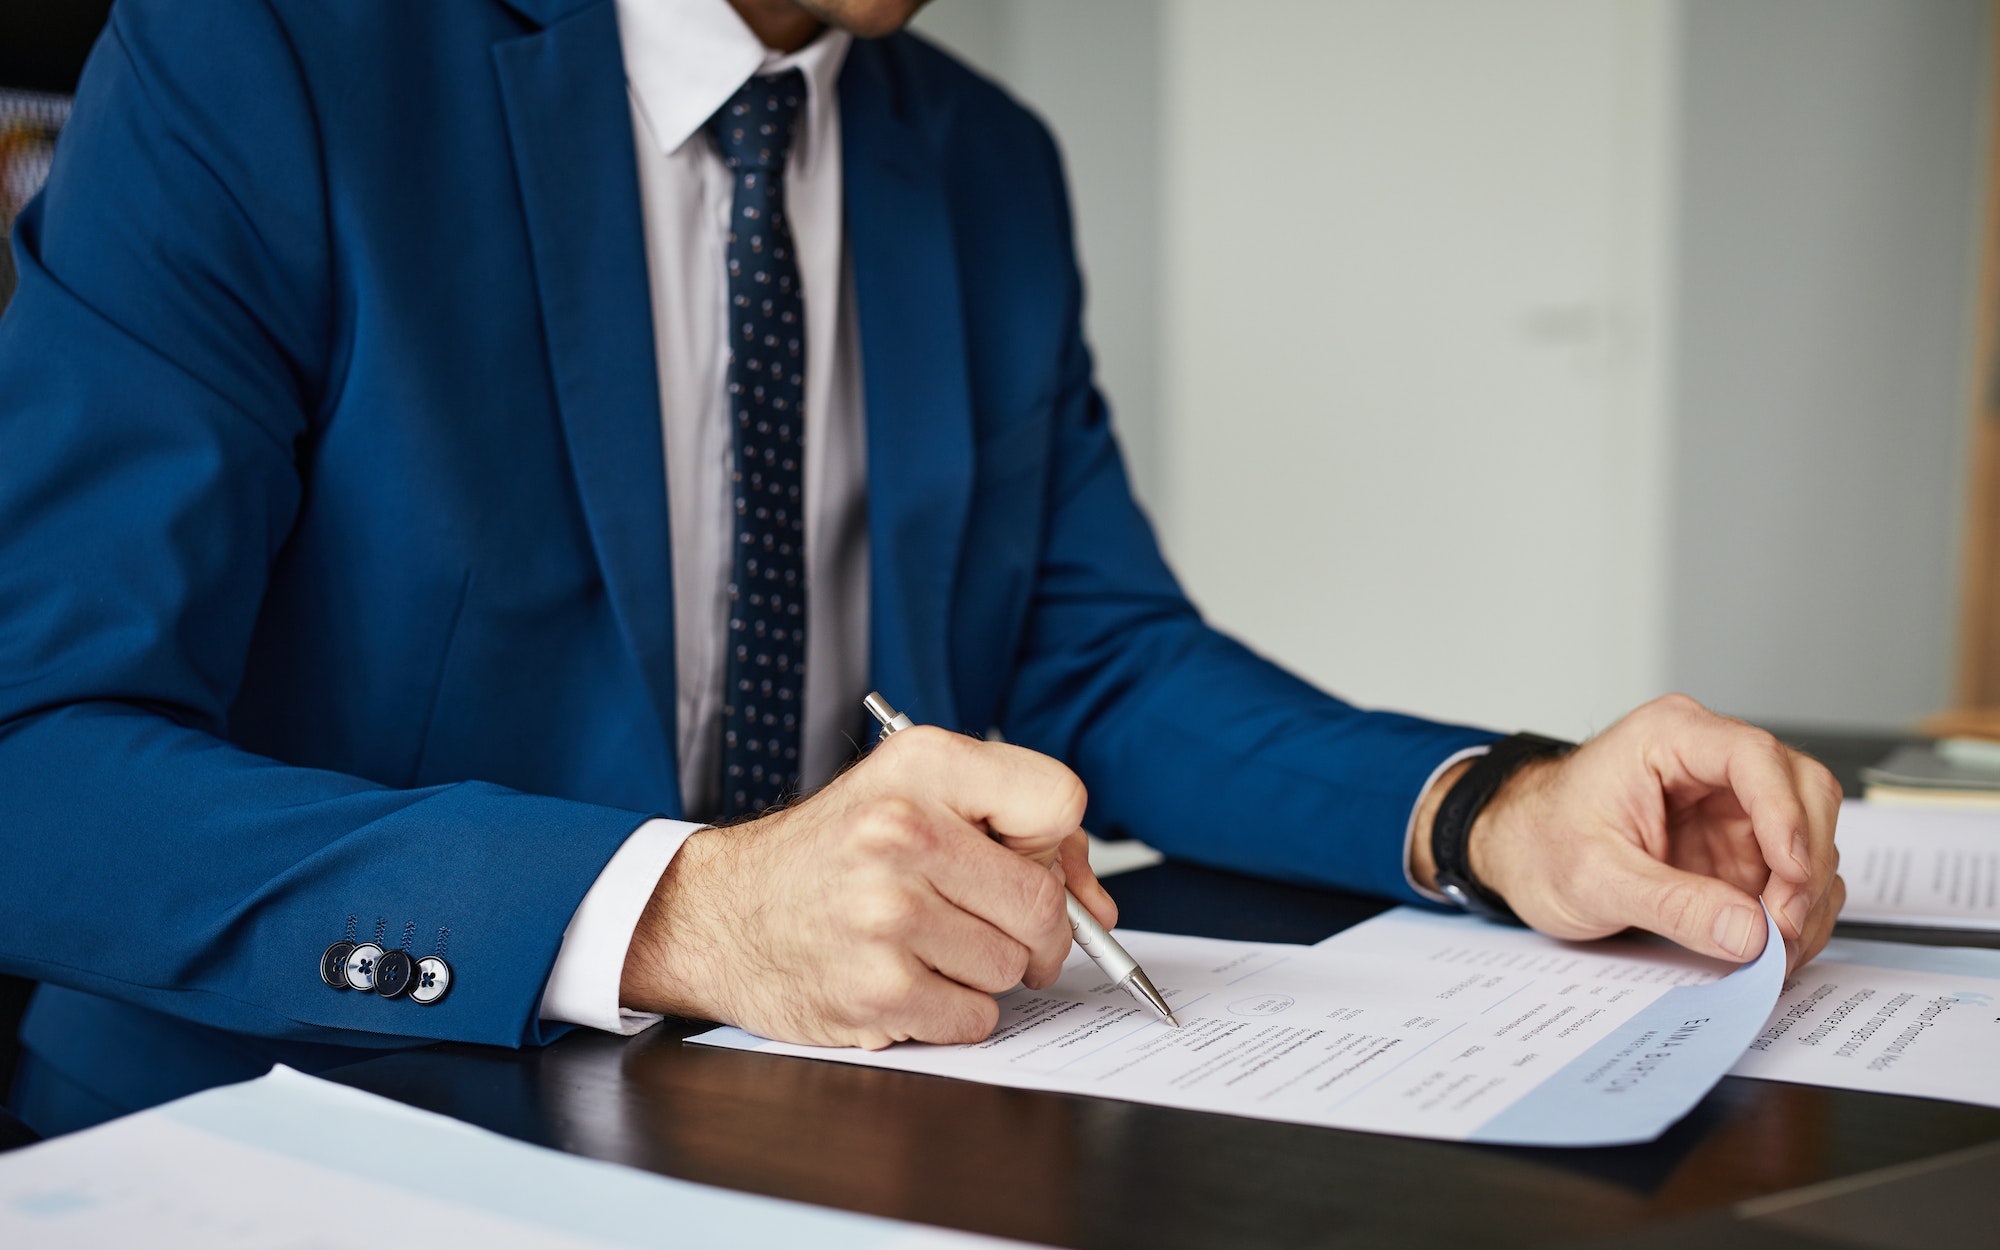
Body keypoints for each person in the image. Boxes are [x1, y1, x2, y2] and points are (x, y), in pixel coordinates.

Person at [0, 0, 1843, 1135]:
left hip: (821, 1147)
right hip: (285, 1133)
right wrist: (687, 912)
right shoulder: (256, 56)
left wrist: (1491, 806)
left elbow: (1090, 654)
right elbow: (38, 758)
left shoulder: (982, 162)